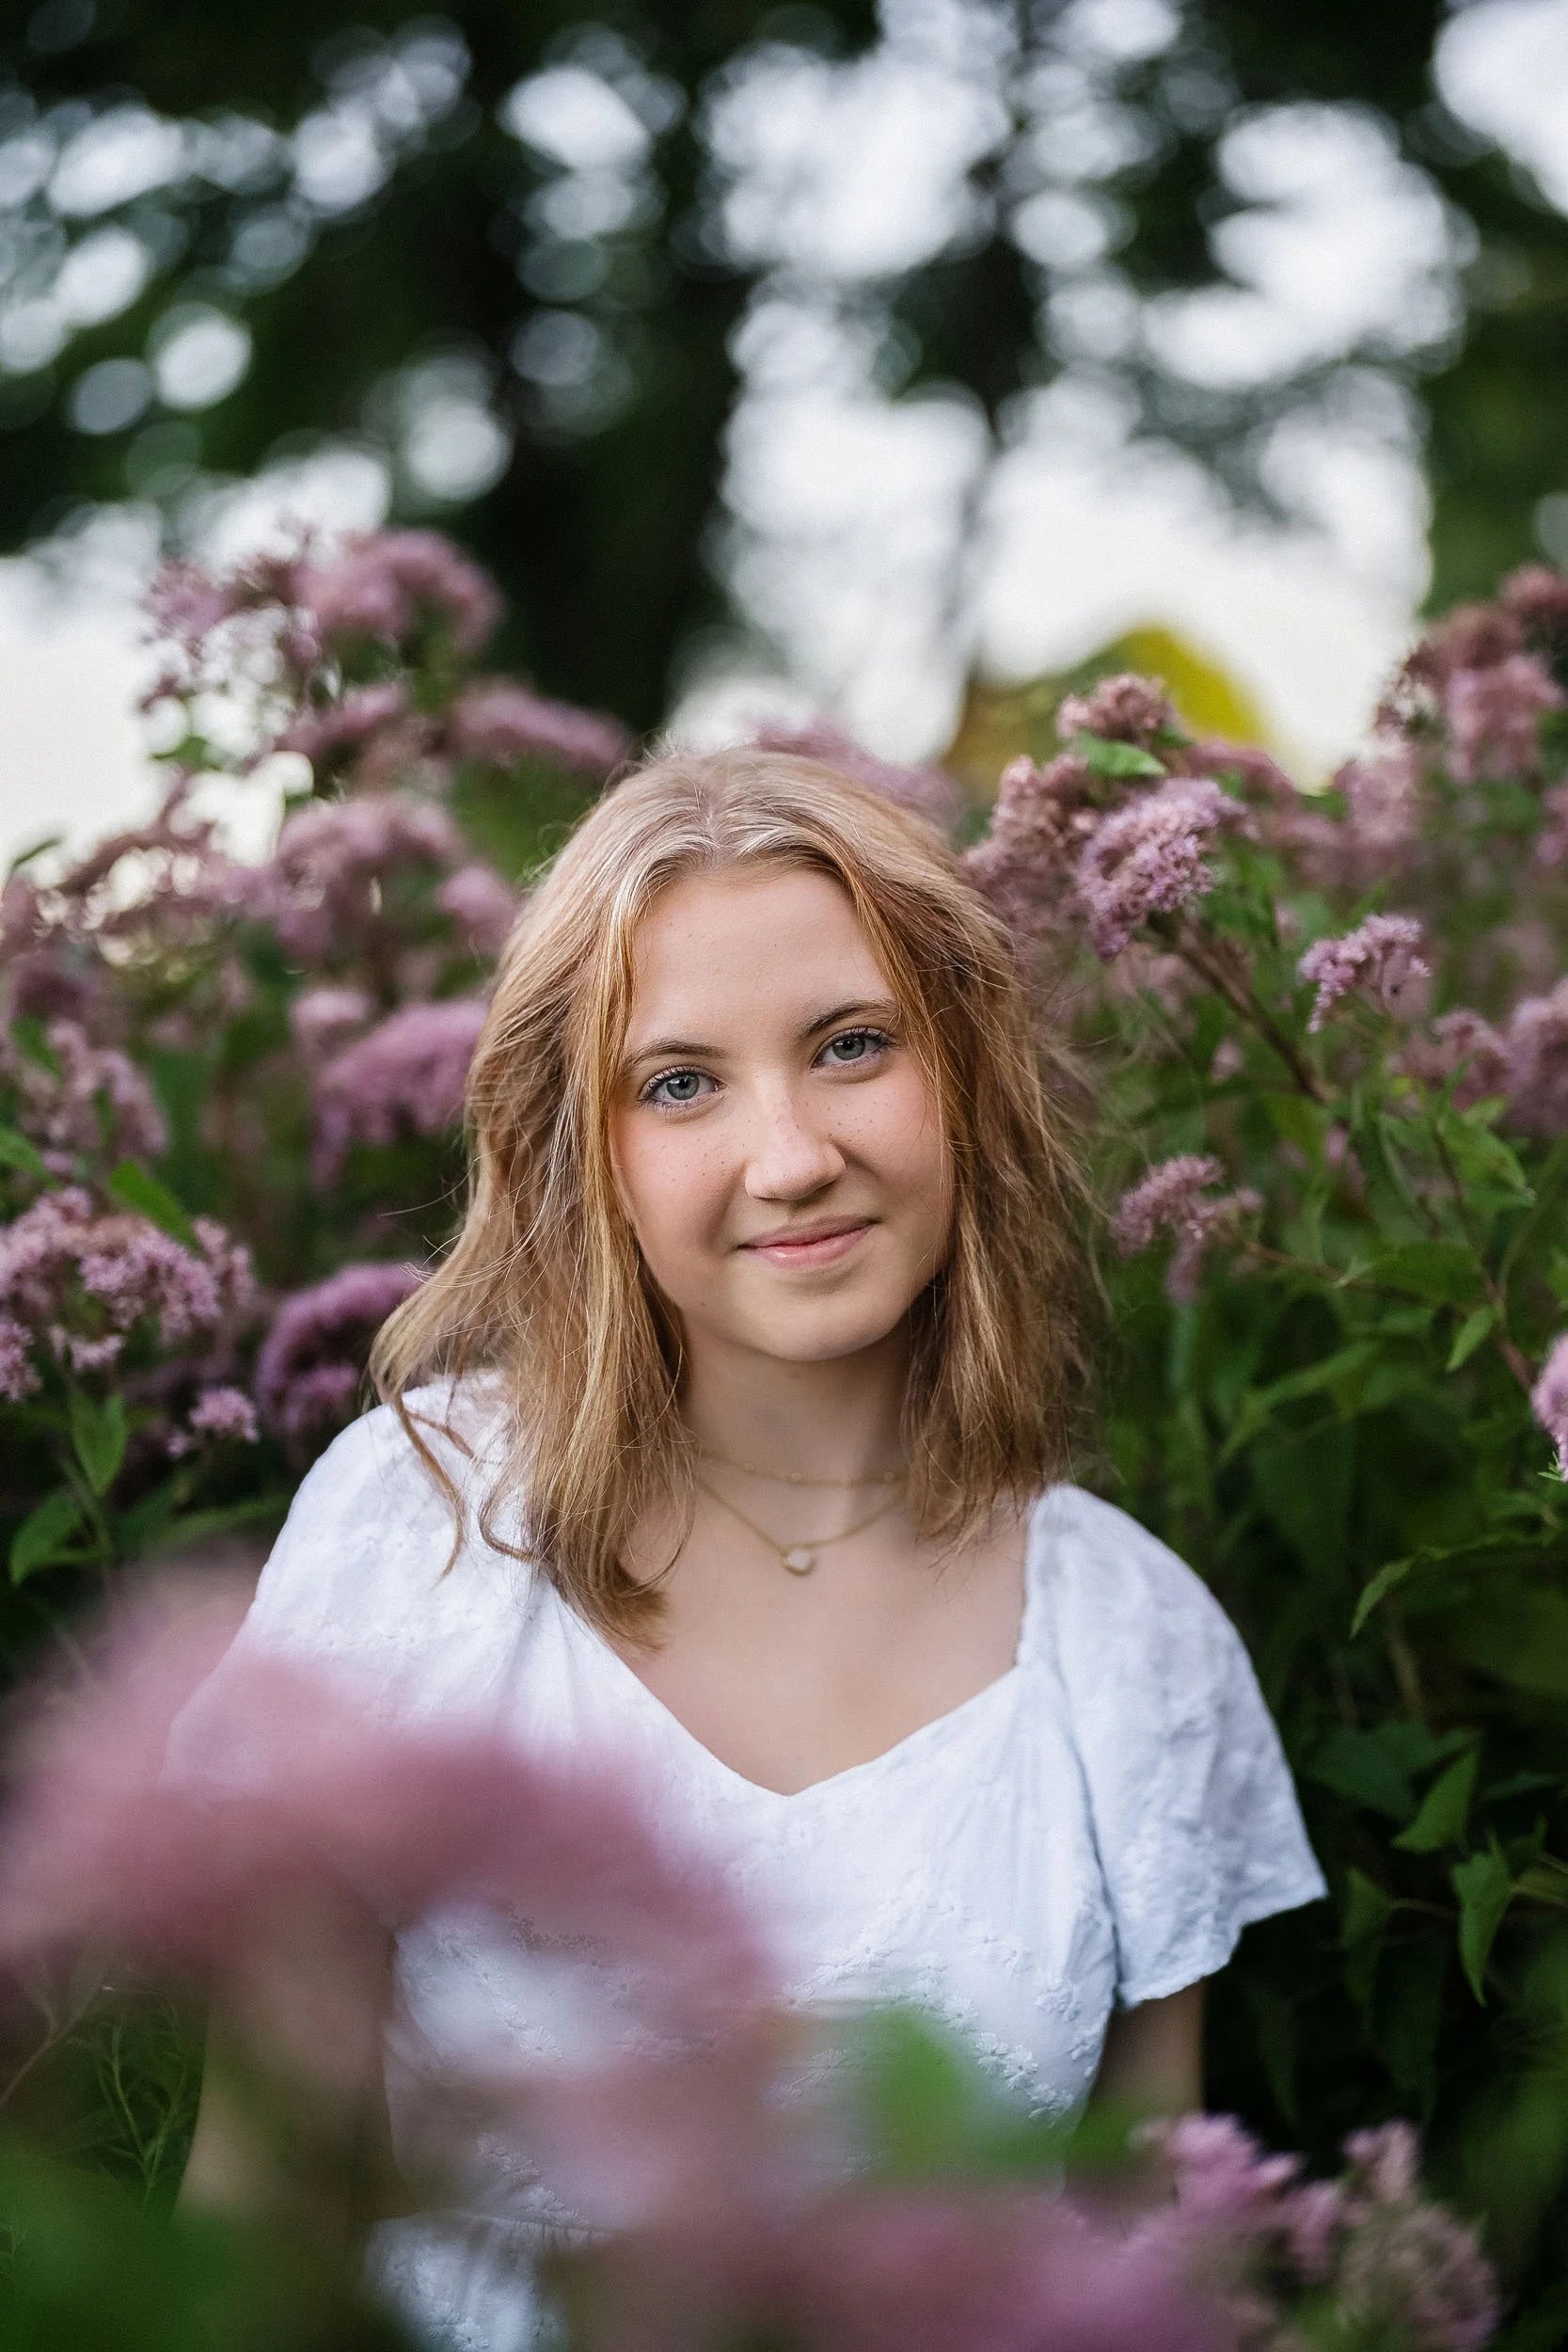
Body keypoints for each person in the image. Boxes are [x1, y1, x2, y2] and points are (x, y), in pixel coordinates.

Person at [182, 746, 1324, 2344]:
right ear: (585, 1152)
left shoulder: (1131, 1637)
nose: (789, 1157)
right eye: (679, 1083)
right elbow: (258, 2212)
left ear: (968, 1072)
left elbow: (1140, 2266)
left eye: (853, 1047)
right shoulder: (422, 1529)